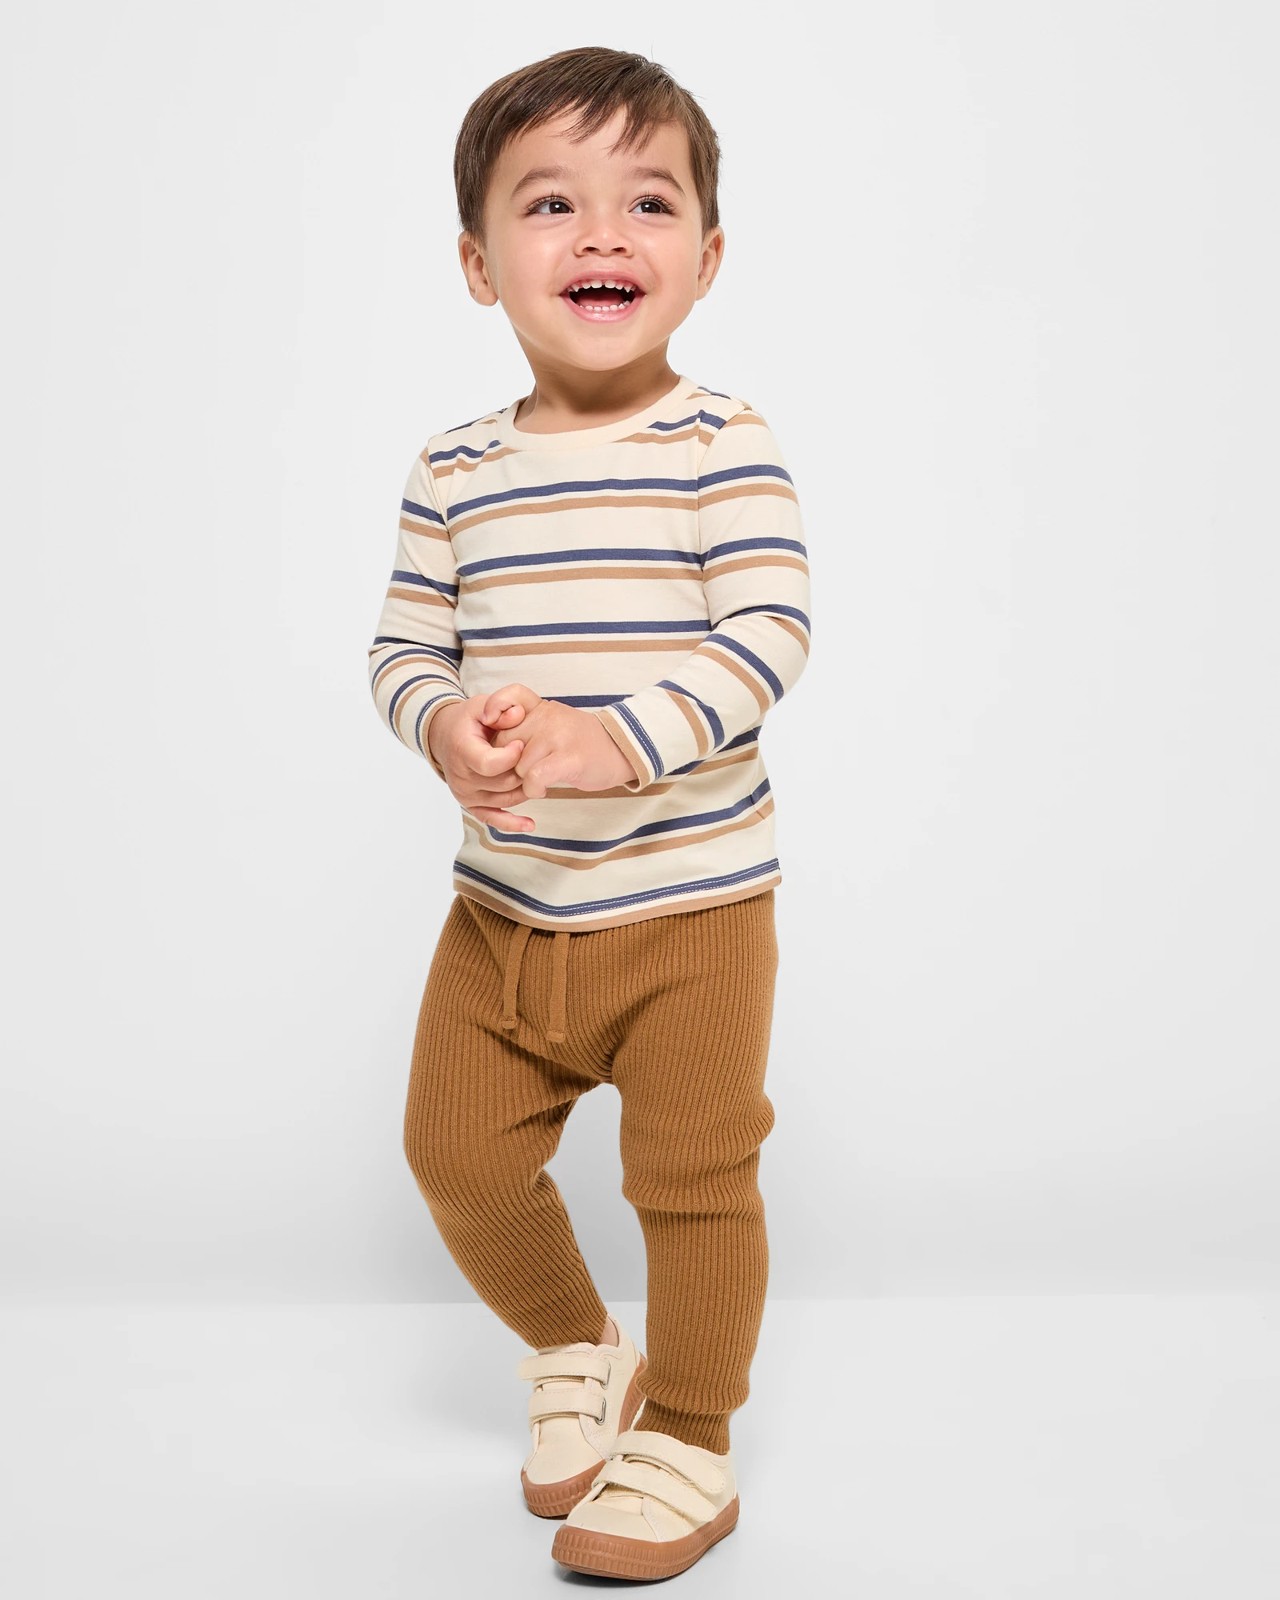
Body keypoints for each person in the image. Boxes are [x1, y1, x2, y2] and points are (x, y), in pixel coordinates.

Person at [367, 44, 811, 1581]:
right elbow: (404, 649)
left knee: (694, 1181)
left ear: (706, 258)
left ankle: (688, 1431)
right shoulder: (454, 468)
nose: (604, 233)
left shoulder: (721, 443)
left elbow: (768, 639)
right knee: (457, 1155)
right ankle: (576, 1345)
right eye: (552, 203)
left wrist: (610, 744)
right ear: (480, 265)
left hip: (692, 911)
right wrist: (446, 729)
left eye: (649, 203)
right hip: (505, 909)